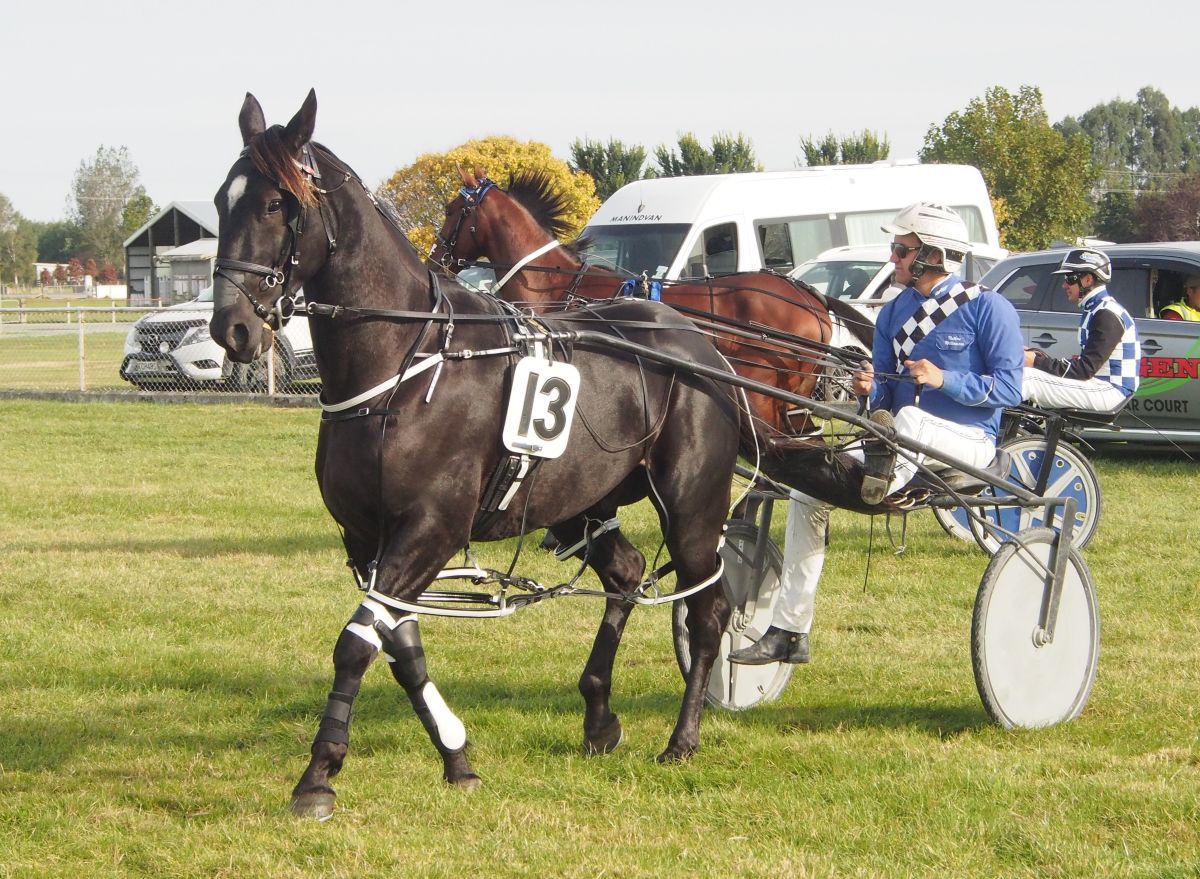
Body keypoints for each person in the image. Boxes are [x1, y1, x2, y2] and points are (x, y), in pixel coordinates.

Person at [729, 203, 1024, 666]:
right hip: (900, 445)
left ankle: (874, 486)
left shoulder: (989, 308)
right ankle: (790, 630)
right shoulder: (893, 313)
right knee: (807, 492)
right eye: (895, 248)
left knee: (911, 423)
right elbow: (885, 400)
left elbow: (1009, 389)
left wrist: (944, 379)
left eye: (901, 250)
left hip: (969, 442)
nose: (892, 258)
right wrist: (870, 391)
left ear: (935, 255)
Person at [1022, 248, 1140, 413]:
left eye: (1069, 278)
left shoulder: (1106, 313)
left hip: (1110, 390)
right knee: (1028, 372)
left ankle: (987, 425)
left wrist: (1036, 361)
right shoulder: (1097, 308)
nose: (1064, 285)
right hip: (1100, 385)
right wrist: (1037, 357)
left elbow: (1084, 369)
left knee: (1026, 378)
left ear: (1088, 279)